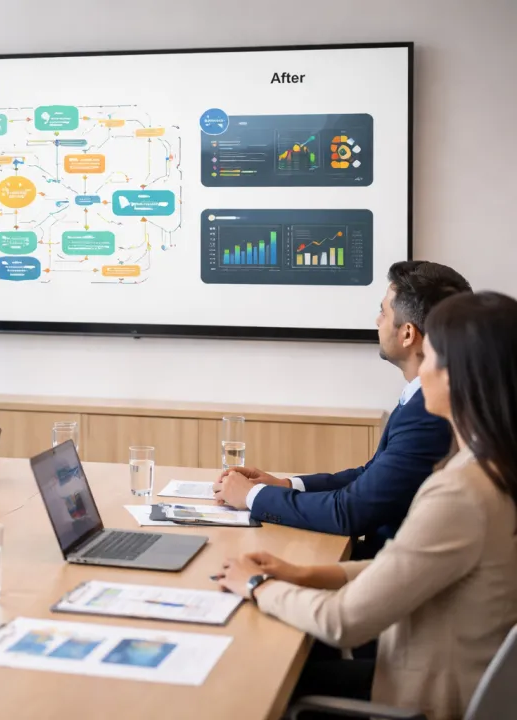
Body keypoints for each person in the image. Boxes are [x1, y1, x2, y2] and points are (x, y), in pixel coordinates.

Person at [216, 291, 517, 720]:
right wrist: (301, 573)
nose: (419, 372)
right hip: (452, 679)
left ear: (457, 376)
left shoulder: (461, 492)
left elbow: (343, 623)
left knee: (253, 671)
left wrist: (256, 586)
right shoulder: (491, 466)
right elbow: (405, 566)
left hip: (423, 698)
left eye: (429, 356)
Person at [213, 261, 471, 558]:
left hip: (383, 570)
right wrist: (285, 484)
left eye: (383, 312)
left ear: (408, 334)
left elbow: (350, 511)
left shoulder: (429, 413)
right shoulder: (420, 398)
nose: (377, 321)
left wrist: (252, 496)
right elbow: (371, 475)